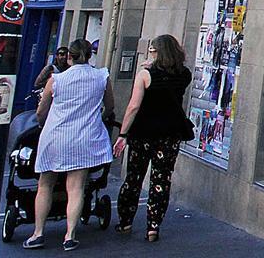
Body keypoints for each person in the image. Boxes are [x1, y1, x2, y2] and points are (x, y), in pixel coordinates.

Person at [26, 39, 117, 251]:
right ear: (90, 55)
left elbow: (41, 111)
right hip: (84, 136)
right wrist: (100, 117)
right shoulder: (101, 76)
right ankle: (70, 234)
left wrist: (42, 123)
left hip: (56, 135)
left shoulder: (56, 80)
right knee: (76, 187)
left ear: (69, 57)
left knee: (45, 184)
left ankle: (38, 232)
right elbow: (110, 106)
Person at [114, 35, 195, 242]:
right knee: (161, 180)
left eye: (152, 50)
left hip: (143, 132)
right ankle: (153, 226)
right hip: (170, 133)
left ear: (157, 52)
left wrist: (123, 133)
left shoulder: (145, 75)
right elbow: (171, 76)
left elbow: (133, 106)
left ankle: (125, 221)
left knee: (134, 177)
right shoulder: (184, 74)